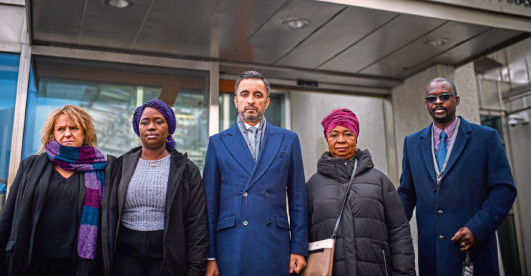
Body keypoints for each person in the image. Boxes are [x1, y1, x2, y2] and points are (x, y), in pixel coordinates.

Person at [398, 77, 517, 276]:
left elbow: (504, 190)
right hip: (431, 257)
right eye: (431, 98)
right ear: (426, 104)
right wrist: (387, 226)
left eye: (444, 96)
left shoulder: (486, 138)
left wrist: (477, 228)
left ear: (457, 100)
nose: (437, 102)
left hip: (473, 253)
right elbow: (407, 194)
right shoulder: (411, 143)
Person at [203, 70, 308, 276]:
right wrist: (210, 255)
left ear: (267, 102)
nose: (251, 100)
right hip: (231, 244)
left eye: (257, 95)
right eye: (244, 94)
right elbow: (209, 203)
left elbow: (298, 199)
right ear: (235, 101)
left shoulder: (288, 140)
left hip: (274, 244)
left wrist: (298, 247)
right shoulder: (217, 142)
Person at [0, 105, 107, 276]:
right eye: (61, 129)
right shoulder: (30, 166)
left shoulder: (100, 170)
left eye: (74, 128)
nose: (67, 133)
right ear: (53, 134)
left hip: (76, 265)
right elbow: (8, 216)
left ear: (85, 133)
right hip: (31, 260)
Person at [102, 99, 207, 276]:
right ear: (138, 129)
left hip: (168, 253)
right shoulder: (119, 166)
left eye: (159, 121)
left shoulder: (187, 170)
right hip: (125, 253)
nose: (151, 127)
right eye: (145, 122)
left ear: (169, 129)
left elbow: (197, 223)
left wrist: (197, 268)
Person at [307, 108, 415, 275]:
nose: (341, 140)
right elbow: (301, 234)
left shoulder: (380, 181)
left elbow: (399, 232)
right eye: (334, 135)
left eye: (348, 134)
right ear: (327, 138)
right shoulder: (313, 186)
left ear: (356, 137)